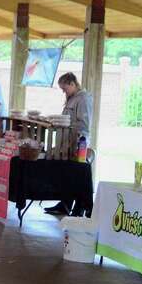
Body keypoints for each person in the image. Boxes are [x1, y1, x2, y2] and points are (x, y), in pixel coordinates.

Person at [44, 72, 95, 215]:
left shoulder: (84, 99)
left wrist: (79, 145)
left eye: (65, 88)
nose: (63, 92)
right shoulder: (72, 98)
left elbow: (84, 125)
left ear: (73, 84)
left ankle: (79, 207)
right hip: (66, 142)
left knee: (77, 176)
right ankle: (65, 203)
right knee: (67, 175)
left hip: (77, 143)